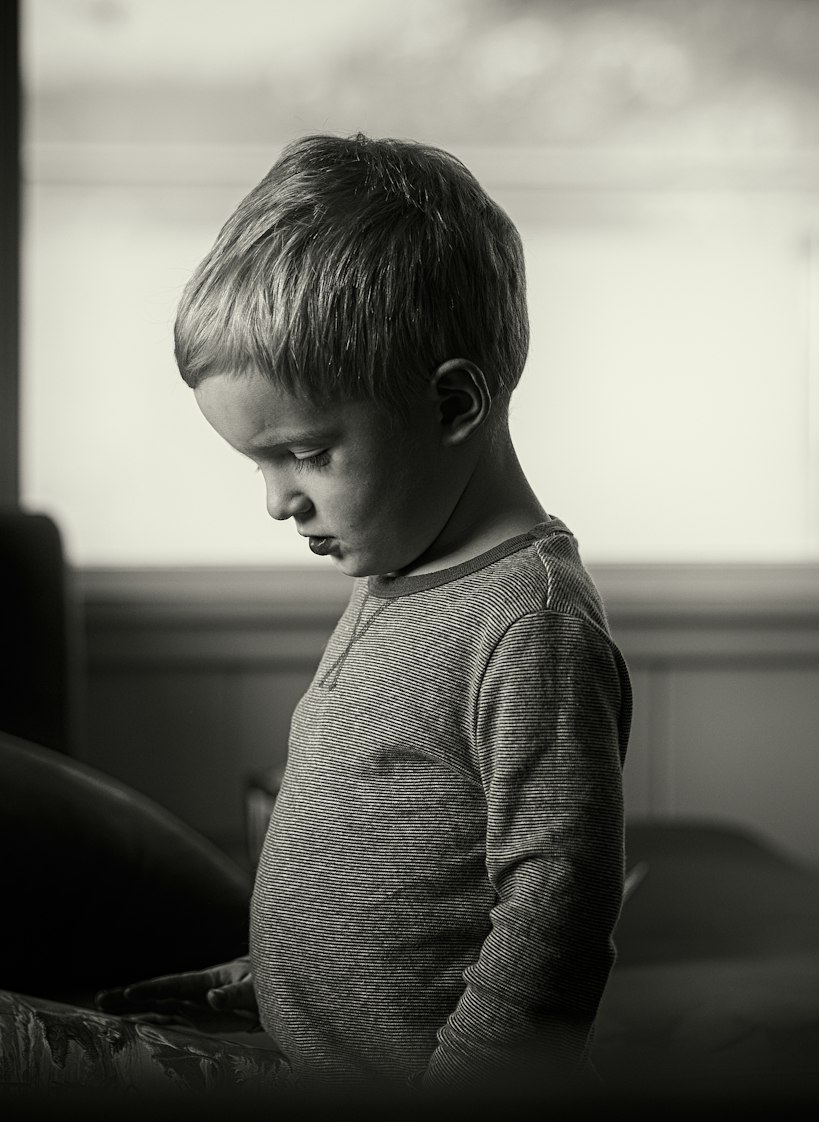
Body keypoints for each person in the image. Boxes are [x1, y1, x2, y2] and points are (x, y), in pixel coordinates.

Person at [97, 133, 631, 1099]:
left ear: (454, 402)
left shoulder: (530, 621)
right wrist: (254, 988)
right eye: (258, 465)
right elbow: (381, 870)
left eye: (304, 454)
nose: (276, 502)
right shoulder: (394, 574)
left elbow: (557, 903)